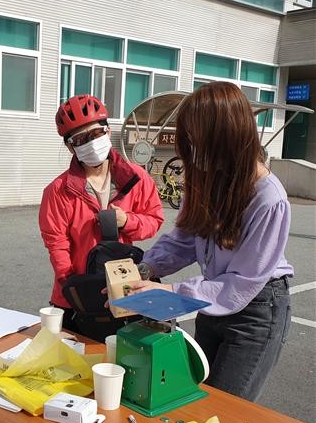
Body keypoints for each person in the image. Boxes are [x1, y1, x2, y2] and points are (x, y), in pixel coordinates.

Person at [126, 81, 293, 402]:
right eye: (189, 141)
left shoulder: (269, 198)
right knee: (196, 396)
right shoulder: (206, 179)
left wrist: (172, 292)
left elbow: (243, 282)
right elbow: (184, 239)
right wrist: (143, 271)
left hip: (257, 309)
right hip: (213, 299)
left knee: (224, 408)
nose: (193, 150)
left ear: (227, 137)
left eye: (198, 141)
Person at [39, 94, 164, 338]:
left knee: (125, 353)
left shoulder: (136, 178)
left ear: (108, 131)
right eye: (80, 139)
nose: (91, 142)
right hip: (77, 294)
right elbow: (57, 244)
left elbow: (154, 220)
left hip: (124, 287)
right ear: (70, 146)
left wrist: (127, 221)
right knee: (72, 356)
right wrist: (73, 287)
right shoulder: (57, 191)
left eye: (96, 133)